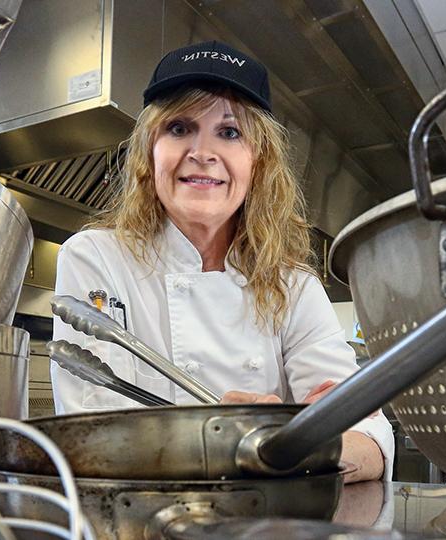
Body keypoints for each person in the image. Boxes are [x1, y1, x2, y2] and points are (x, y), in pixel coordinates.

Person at [51, 40, 393, 483]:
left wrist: (280, 442)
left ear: (258, 160)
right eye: (178, 128)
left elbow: (369, 437)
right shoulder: (97, 257)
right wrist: (254, 440)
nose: (202, 152)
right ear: (149, 152)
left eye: (230, 133)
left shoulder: (293, 285)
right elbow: (91, 436)